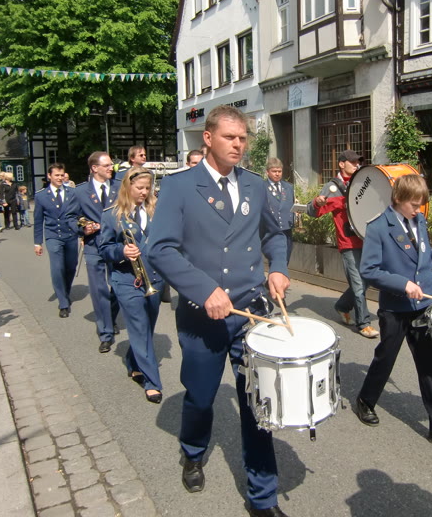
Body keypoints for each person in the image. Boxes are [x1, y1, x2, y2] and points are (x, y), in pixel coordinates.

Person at [147, 105, 290, 517]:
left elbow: (274, 234)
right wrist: (203, 289)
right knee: (201, 396)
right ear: (208, 138)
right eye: (230, 137)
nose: (238, 145)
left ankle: (263, 497)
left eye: (243, 138)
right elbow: (160, 249)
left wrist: (278, 268)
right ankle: (193, 451)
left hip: (250, 315)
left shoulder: (255, 185)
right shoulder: (179, 186)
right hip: (201, 316)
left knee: (258, 404)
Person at [354, 174, 432, 453]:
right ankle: (365, 400)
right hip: (395, 308)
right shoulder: (378, 227)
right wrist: (403, 284)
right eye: (414, 204)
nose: (418, 210)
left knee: (428, 365)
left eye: (421, 205)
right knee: (385, 358)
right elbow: (369, 270)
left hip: (423, 305)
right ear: (398, 199)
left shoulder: (418, 219)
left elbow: (424, 249)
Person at [97, 167, 163, 402]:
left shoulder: (157, 210)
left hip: (154, 278)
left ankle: (133, 361)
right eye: (139, 188)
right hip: (127, 280)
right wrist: (122, 251)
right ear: (127, 186)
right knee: (139, 328)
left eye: (148, 188)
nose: (144, 192)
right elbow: (104, 249)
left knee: (147, 327)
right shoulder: (111, 215)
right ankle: (152, 382)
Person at [307, 149, 378, 338]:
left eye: (358, 162)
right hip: (348, 242)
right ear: (341, 164)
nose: (357, 165)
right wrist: (317, 203)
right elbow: (312, 212)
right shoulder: (333, 187)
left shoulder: (361, 183)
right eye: (353, 162)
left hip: (368, 240)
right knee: (358, 283)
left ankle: (342, 306)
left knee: (368, 279)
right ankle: (363, 323)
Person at [71, 151, 121, 353]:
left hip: (117, 246)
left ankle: (110, 316)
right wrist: (82, 228)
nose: (111, 168)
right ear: (94, 168)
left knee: (118, 286)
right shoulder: (80, 192)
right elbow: (70, 218)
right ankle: (105, 332)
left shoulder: (119, 187)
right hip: (94, 246)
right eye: (107, 165)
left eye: (111, 164)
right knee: (99, 290)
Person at [33, 163, 79, 318]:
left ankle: (65, 292)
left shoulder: (72, 192)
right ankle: (63, 303)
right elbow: (38, 220)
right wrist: (37, 242)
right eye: (56, 175)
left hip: (71, 235)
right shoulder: (41, 196)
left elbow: (78, 214)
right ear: (49, 176)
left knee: (71, 267)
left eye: (62, 175)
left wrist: (83, 234)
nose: (60, 178)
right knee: (57, 268)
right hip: (53, 235)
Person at [264, 157, 295, 263]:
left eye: (279, 171)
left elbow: (292, 205)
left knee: (286, 259)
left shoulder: (288, 187)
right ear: (267, 172)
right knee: (276, 261)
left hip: (287, 229)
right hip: (270, 230)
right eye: (274, 171)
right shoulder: (262, 187)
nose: (277, 174)